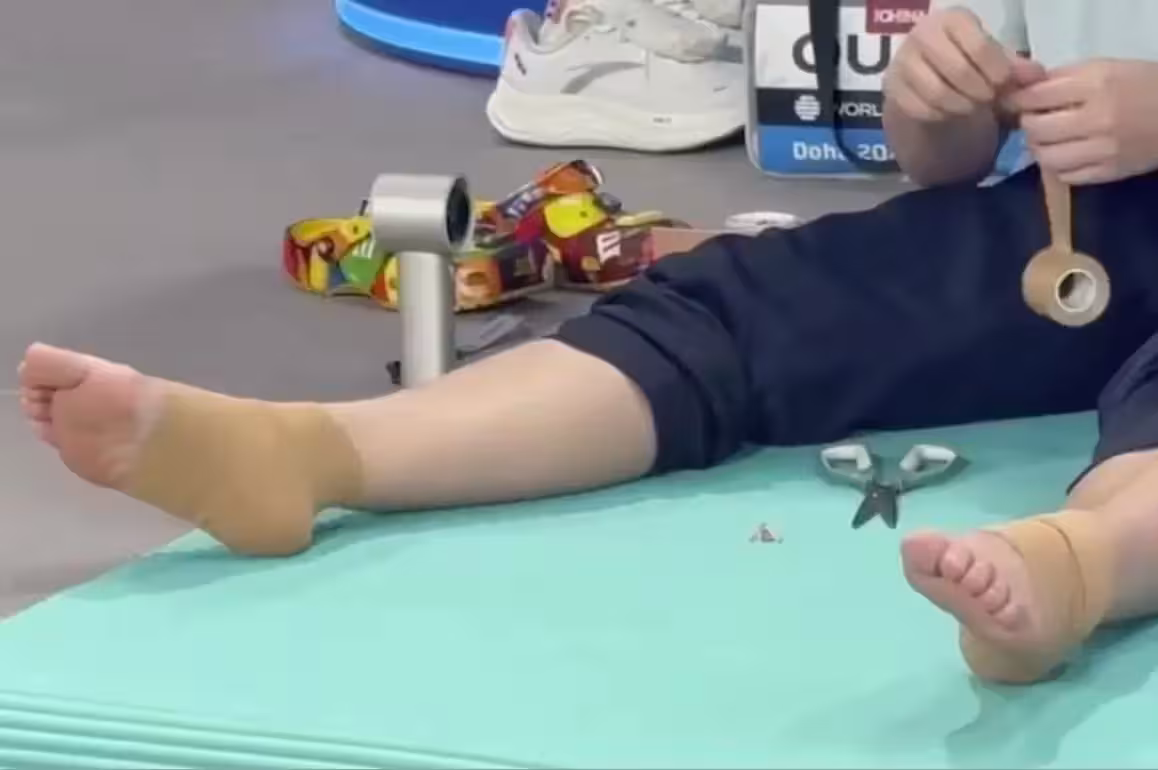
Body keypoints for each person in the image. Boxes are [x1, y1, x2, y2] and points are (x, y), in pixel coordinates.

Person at [16, 0, 1158, 685]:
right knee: (759, 304)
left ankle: (1083, 563)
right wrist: (938, 99)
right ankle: (315, 452)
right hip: (1087, 213)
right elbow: (941, 164)